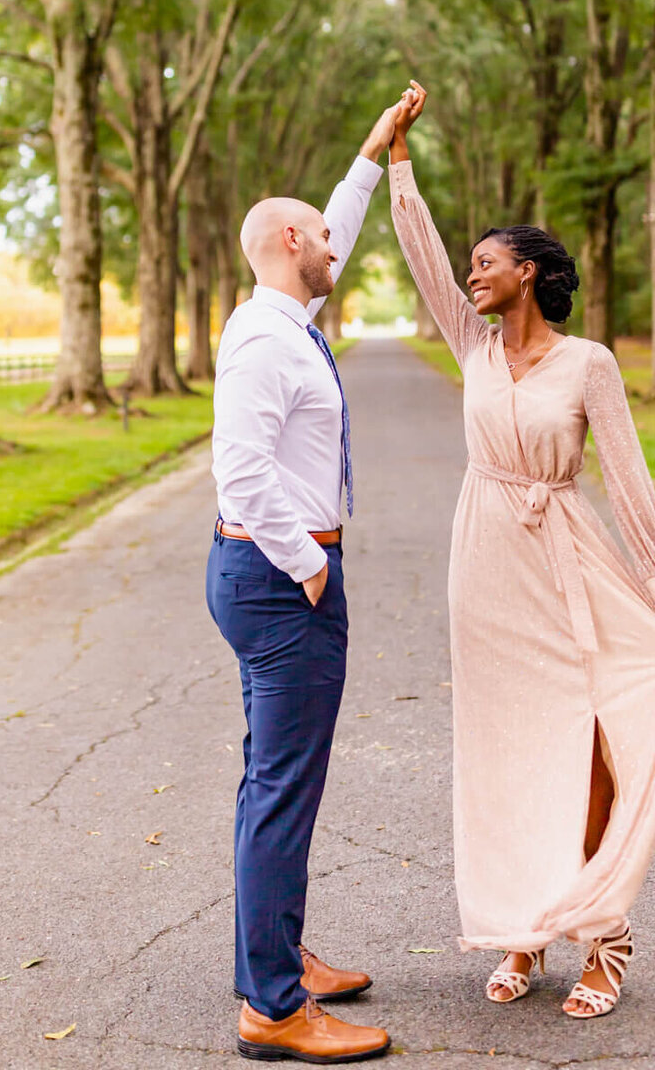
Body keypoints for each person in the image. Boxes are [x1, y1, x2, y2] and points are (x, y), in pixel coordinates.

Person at [388, 81, 655, 1020]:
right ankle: (522, 930)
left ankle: (604, 933)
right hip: (484, 558)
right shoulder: (472, 347)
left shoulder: (589, 363)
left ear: (529, 272)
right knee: (506, 745)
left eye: (489, 263)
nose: (474, 275)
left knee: (595, 738)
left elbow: (632, 479)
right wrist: (398, 155)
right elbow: (422, 260)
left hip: (568, 550)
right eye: (473, 263)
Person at [206, 106, 403, 1064]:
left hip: (274, 578)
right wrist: (312, 564)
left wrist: (369, 156)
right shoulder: (260, 341)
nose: (336, 243)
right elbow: (240, 471)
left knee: (274, 781)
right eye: (322, 234)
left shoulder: (289, 319)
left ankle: (276, 956)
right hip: (281, 580)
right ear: (290, 243)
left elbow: (340, 219)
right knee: (283, 786)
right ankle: (274, 1009)